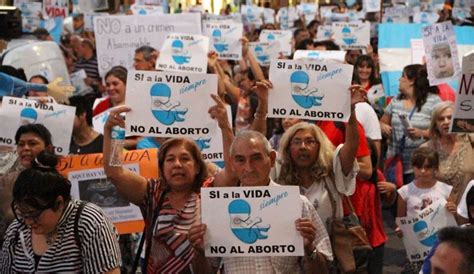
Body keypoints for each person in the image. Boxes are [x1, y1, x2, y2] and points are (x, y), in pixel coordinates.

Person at [102, 93, 232, 273]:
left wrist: (225, 127)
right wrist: (113, 133)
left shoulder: (209, 191)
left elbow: (232, 173)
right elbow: (114, 173)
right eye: (170, 159)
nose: (177, 164)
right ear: (162, 168)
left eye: (185, 158)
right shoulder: (151, 192)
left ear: (197, 166)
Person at [189, 130, 333, 273]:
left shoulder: (298, 204)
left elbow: (324, 270)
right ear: (232, 163)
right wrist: (200, 251)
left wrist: (310, 249)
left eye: (256, 158)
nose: (249, 167)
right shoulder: (217, 208)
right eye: (240, 160)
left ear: (271, 158)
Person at [0, 151, 121, 272]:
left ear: (59, 203)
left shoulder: (89, 222)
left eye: (34, 215)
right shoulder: (16, 230)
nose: (28, 222)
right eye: (22, 214)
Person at [380, 64, 441, 184]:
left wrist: (422, 133)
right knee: (394, 200)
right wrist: (383, 126)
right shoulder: (396, 100)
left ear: (412, 81)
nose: (399, 79)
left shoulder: (434, 101)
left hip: (421, 166)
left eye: (403, 76)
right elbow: (382, 121)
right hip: (395, 164)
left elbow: (442, 132)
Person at [0, 124, 55, 246]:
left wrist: (8, 207)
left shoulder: (58, 179)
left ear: (48, 148)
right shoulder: (7, 181)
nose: (25, 148)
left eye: (32, 143)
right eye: (21, 144)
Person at [421, 102, 474, 206]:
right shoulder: (427, 149)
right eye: (441, 119)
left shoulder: (471, 141)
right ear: (435, 124)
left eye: (450, 118)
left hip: (470, 210)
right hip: (440, 211)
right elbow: (421, 185)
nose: (446, 122)